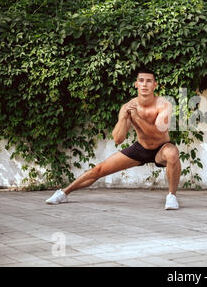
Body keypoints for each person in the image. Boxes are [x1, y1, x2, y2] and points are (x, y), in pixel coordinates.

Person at [45, 67, 182, 210]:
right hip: (141, 148)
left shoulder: (164, 104)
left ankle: (171, 196)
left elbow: (157, 133)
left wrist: (136, 117)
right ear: (136, 84)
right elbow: (118, 139)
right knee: (98, 170)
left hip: (162, 147)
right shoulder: (128, 107)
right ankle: (63, 193)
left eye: (149, 81)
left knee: (172, 154)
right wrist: (123, 118)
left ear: (155, 85)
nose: (144, 84)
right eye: (141, 81)